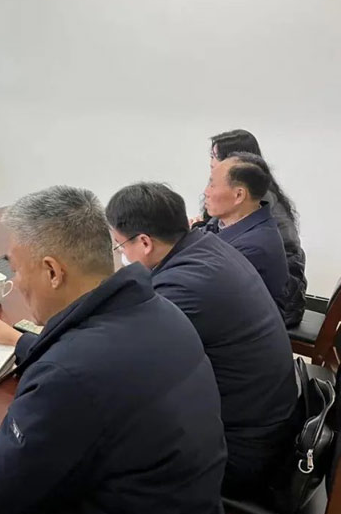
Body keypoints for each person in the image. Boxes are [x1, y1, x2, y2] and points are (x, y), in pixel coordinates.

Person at [0, 186, 227, 514]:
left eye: (16, 269)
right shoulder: (162, 312)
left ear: (53, 272)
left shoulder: (69, 375)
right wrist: (24, 343)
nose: (17, 283)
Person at [106, 182, 297, 494]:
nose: (122, 255)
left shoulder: (183, 287)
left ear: (144, 242)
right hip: (268, 423)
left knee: (97, 444)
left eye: (120, 246)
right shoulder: (206, 247)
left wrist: (32, 343)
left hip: (241, 452)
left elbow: (121, 367)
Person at [206, 129, 306, 326]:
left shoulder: (257, 210)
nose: (211, 162)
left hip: (282, 303)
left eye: (216, 156)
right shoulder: (250, 200)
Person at [203, 152, 289, 312]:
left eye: (212, 185)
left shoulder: (253, 247)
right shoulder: (222, 223)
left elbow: (202, 291)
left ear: (239, 195)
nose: (206, 192)